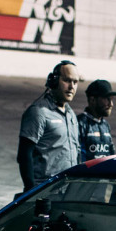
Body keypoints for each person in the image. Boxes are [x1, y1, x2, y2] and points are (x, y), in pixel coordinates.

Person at [18, 60, 82, 192]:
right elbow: (24, 155)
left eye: (75, 82)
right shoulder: (39, 112)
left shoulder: (71, 114)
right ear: (54, 81)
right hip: (45, 190)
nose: (71, 87)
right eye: (67, 80)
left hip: (68, 190)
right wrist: (31, 191)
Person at [78, 79, 116, 161]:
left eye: (112, 99)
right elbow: (77, 158)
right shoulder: (79, 123)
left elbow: (111, 156)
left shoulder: (105, 125)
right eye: (107, 99)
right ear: (92, 100)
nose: (111, 104)